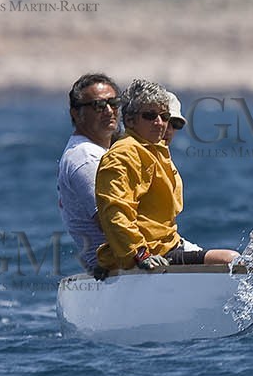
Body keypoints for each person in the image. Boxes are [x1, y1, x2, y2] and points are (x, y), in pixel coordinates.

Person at [93, 78, 239, 274]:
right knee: (229, 260)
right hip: (148, 255)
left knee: (240, 259)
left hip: (167, 247)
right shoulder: (123, 154)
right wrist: (140, 254)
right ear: (129, 120)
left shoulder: (155, 149)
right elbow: (115, 212)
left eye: (164, 116)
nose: (160, 123)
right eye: (150, 115)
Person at [57, 72, 122, 273]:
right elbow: (110, 223)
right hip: (117, 266)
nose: (109, 110)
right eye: (98, 105)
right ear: (76, 113)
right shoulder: (86, 157)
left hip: (125, 262)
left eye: (114, 103)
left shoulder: (103, 151)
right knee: (222, 259)